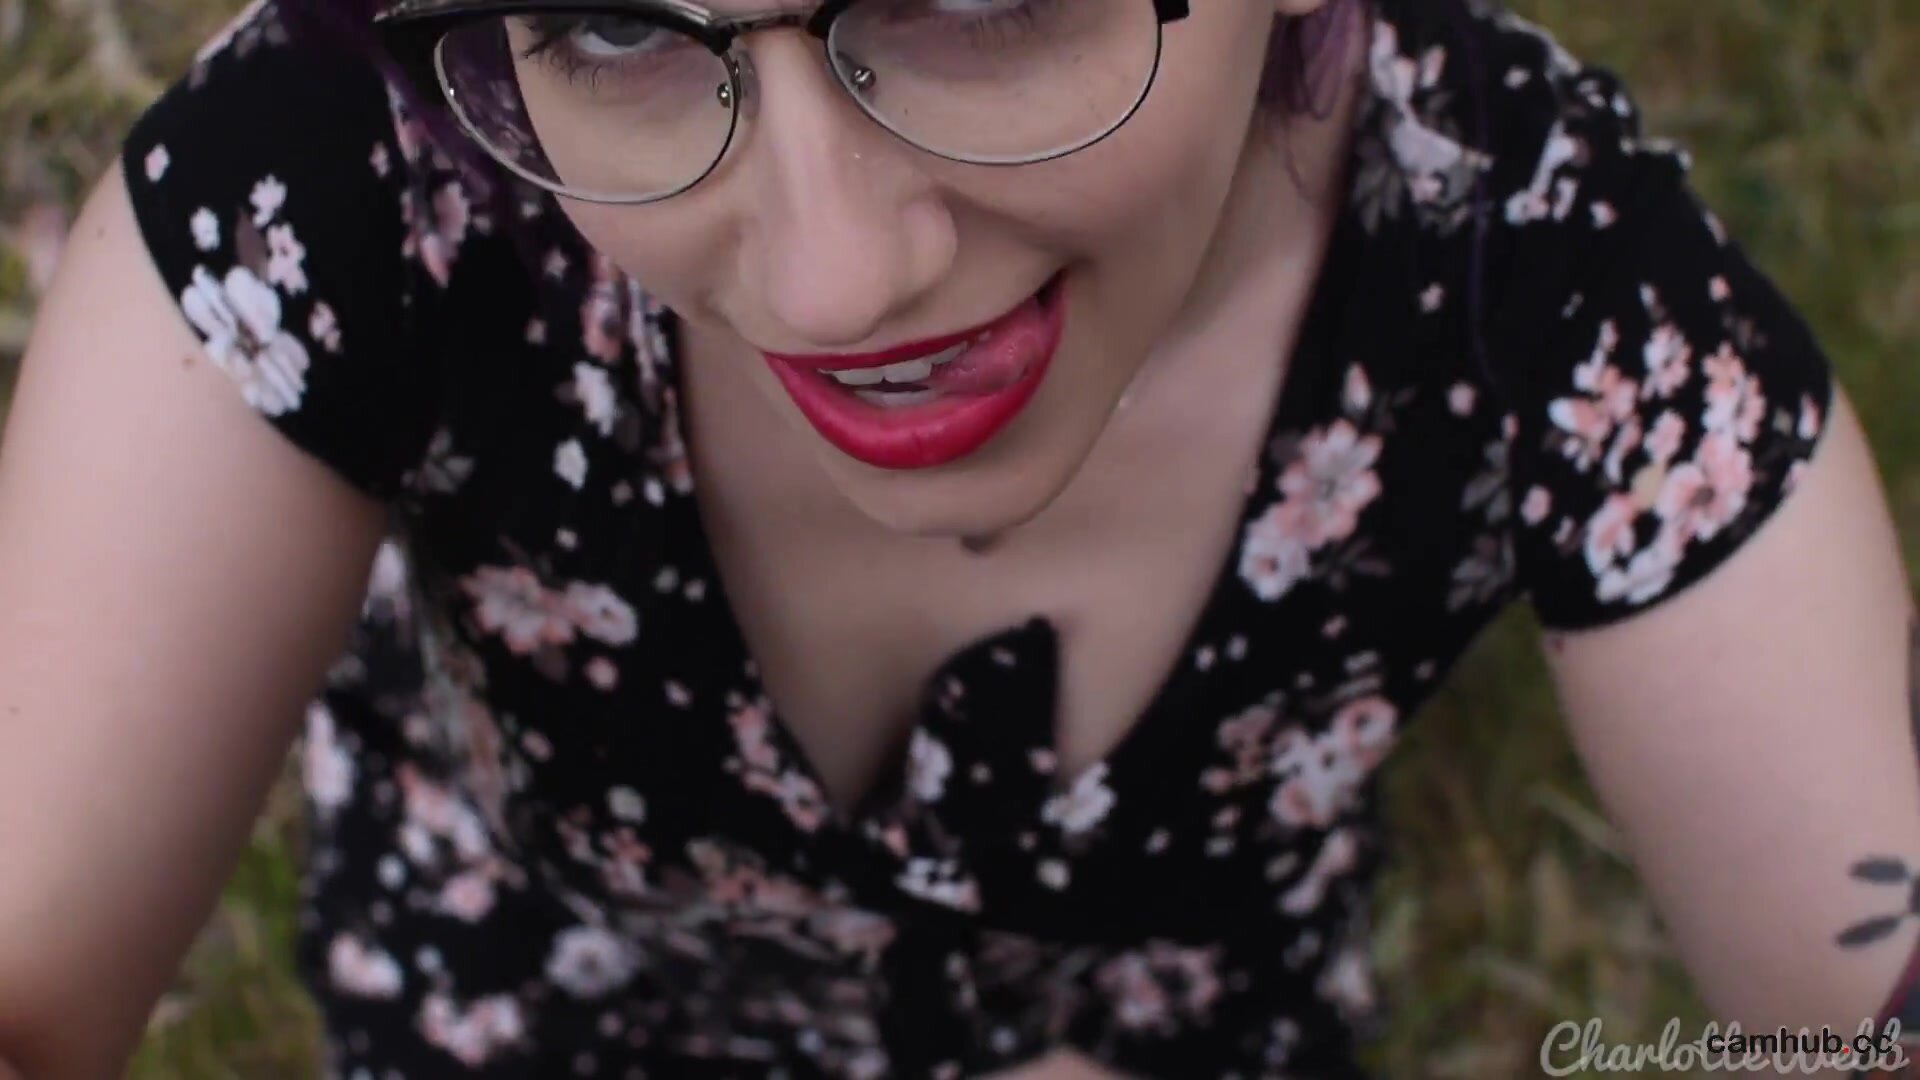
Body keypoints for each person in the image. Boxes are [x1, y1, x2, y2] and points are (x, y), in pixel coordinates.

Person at [0, 0, 1913, 1076]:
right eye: (611, 23)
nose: (832, 277)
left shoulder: (1541, 270)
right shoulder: (357, 168)